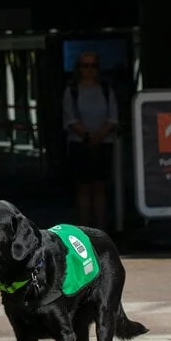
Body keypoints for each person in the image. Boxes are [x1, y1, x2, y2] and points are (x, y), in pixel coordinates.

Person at [63, 51, 119, 230]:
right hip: (80, 145)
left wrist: (99, 136)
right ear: (78, 69)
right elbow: (70, 119)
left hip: (103, 145)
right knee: (83, 189)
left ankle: (101, 229)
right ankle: (84, 229)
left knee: (100, 188)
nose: (89, 70)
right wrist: (88, 136)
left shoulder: (106, 90)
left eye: (93, 65)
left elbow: (113, 118)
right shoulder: (71, 91)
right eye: (85, 65)